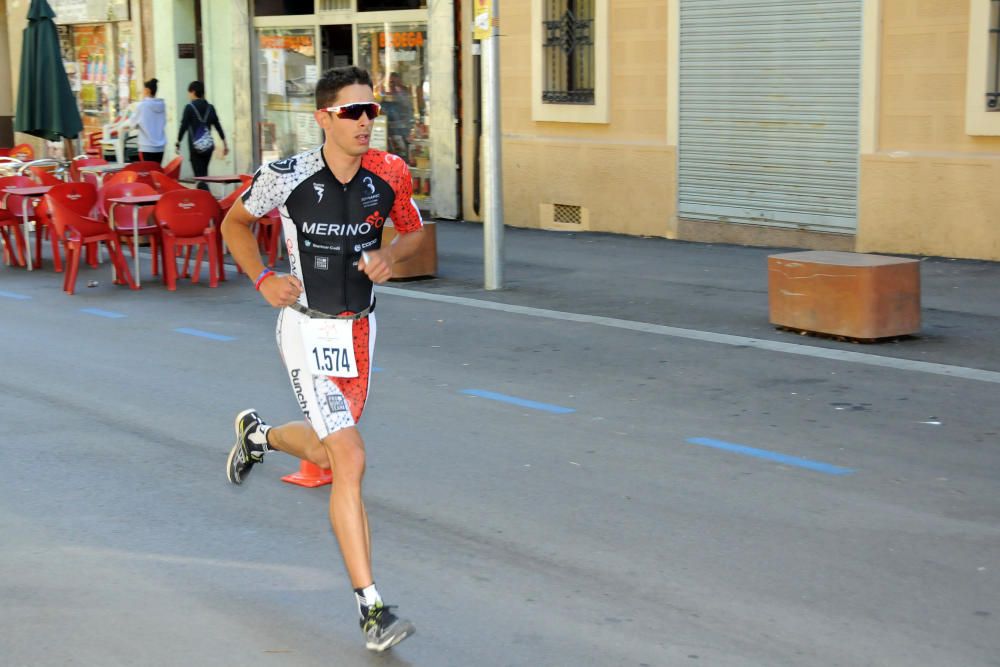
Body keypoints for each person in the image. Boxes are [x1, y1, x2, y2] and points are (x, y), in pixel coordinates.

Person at [220, 66, 425, 652]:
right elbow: (233, 222)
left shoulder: (390, 174)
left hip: (359, 333)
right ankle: (372, 609)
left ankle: (259, 437)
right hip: (306, 332)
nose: (364, 122)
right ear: (322, 119)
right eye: (350, 112)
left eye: (371, 112)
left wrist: (392, 255)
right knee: (350, 456)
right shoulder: (286, 177)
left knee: (326, 451)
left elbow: (413, 232)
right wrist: (261, 278)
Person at [175, 81, 228, 190]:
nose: (188, 95)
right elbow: (218, 126)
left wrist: (178, 142)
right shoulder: (210, 107)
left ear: (193, 92)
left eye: (189, 92)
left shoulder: (189, 108)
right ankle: (204, 197)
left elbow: (183, 126)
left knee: (200, 177)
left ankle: (205, 199)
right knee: (204, 174)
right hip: (208, 147)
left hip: (195, 148)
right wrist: (225, 143)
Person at [127, 78, 167, 164]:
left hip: (146, 147)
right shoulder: (162, 105)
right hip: (160, 147)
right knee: (156, 171)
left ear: (147, 90)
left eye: (144, 90)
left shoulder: (142, 106)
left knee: (148, 173)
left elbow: (132, 124)